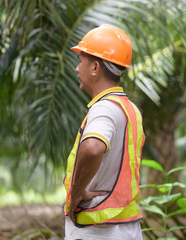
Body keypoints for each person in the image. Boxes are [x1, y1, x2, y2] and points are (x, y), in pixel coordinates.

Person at [62, 24, 145, 240]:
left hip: (97, 229)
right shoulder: (130, 109)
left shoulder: (104, 107)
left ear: (95, 68)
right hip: (125, 228)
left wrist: (77, 193)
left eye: (80, 62)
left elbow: (92, 148)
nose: (77, 69)